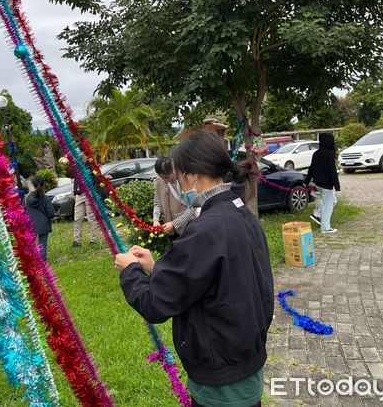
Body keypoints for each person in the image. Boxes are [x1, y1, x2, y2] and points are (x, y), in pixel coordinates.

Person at [115, 131, 274, 407]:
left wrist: (130, 271)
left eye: (177, 179)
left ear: (194, 176)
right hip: (245, 361)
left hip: (221, 379)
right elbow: (211, 277)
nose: (177, 186)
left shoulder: (206, 229)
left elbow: (156, 304)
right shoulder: (240, 213)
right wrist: (154, 267)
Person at [304, 132, 341, 234]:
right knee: (328, 206)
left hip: (318, 184)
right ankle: (325, 228)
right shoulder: (329, 154)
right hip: (326, 185)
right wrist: (337, 186)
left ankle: (317, 214)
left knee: (333, 200)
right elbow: (332, 171)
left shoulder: (316, 153)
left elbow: (311, 169)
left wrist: (306, 182)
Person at [152, 156, 197, 236]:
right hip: (171, 231)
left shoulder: (183, 180)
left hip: (188, 227)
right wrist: (155, 219)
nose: (165, 180)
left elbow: (193, 208)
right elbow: (157, 203)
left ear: (173, 170)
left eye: (166, 177)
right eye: (162, 177)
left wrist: (174, 223)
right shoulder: (158, 182)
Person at [72, 156, 103, 247]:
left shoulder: (92, 165)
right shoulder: (77, 165)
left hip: (90, 193)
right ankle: (76, 241)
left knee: (91, 217)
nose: (80, 155)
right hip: (79, 193)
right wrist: (75, 192)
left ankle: (93, 240)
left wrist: (95, 193)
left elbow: (97, 179)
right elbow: (75, 179)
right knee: (77, 218)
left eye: (82, 152)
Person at [24, 175, 55, 259]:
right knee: (42, 245)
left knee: (29, 245)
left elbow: (24, 210)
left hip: (30, 223)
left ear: (33, 185)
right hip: (43, 224)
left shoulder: (28, 198)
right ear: (43, 185)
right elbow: (51, 213)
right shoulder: (46, 199)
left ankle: (30, 262)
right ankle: (42, 265)